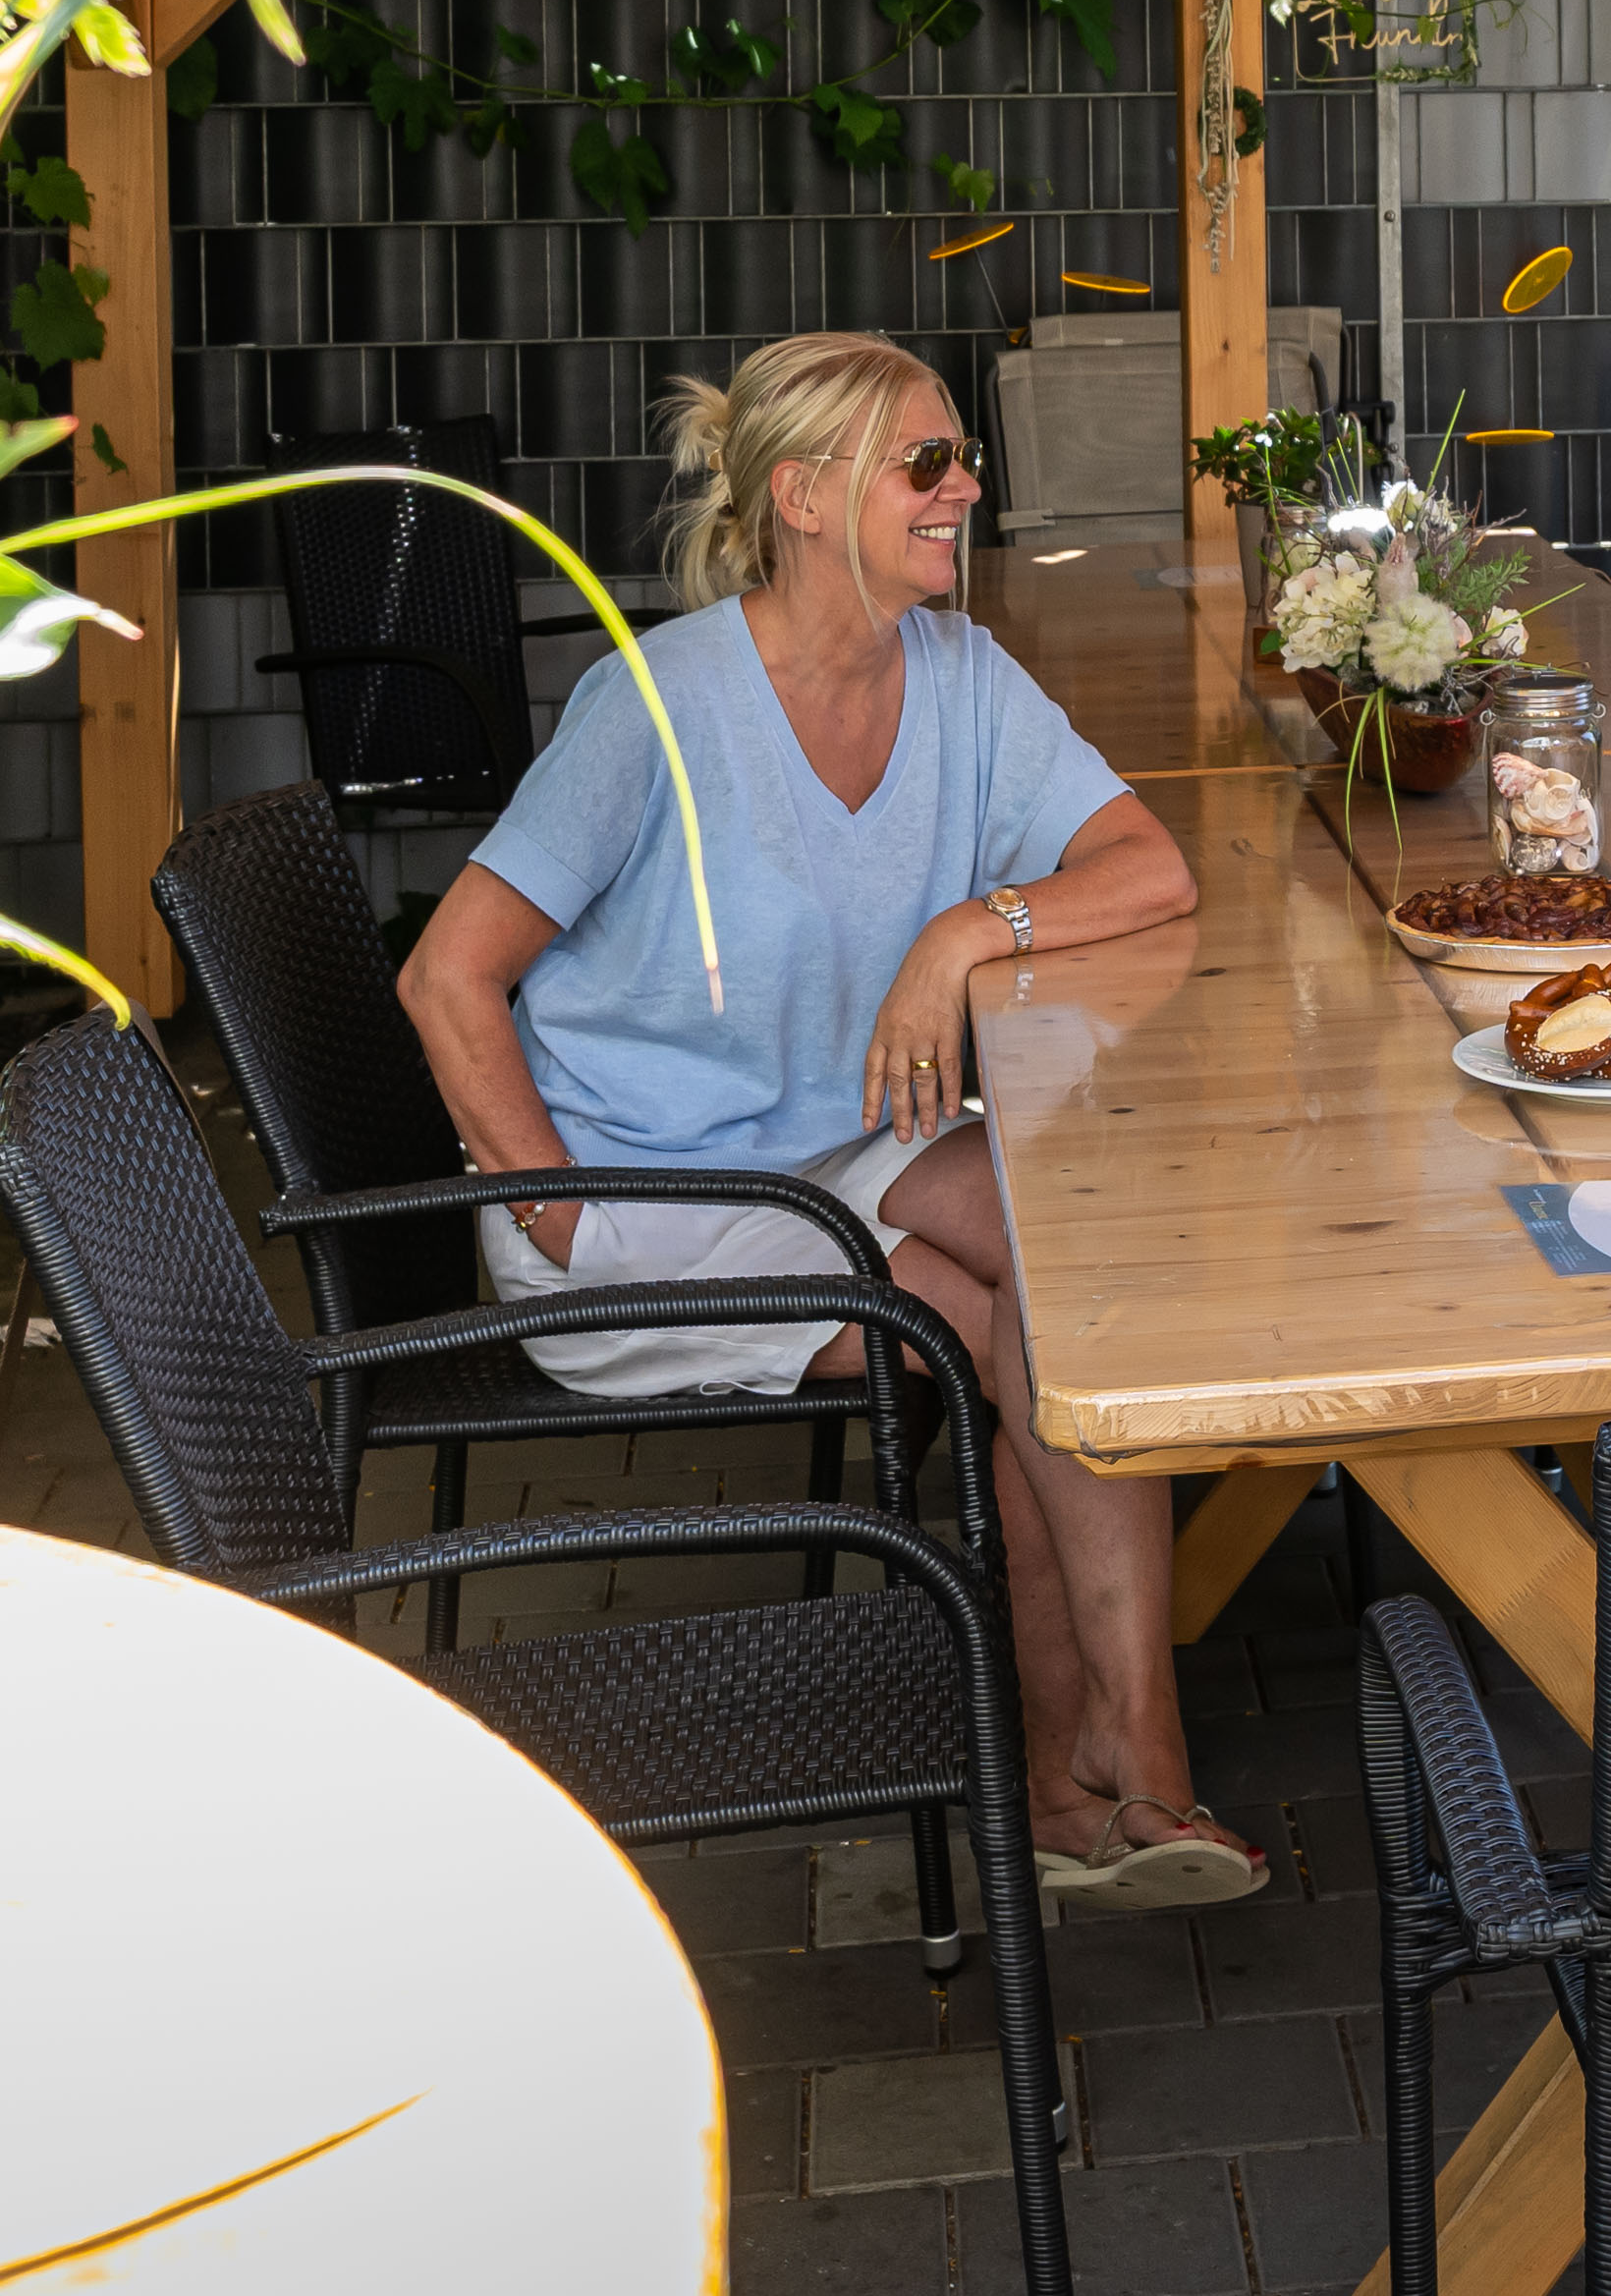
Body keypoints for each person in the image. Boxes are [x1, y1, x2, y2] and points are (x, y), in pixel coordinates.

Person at [396, 332, 1251, 1904]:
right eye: (926, 461)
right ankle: (1084, 1771)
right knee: (996, 1326)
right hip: (642, 1192)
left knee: (1076, 1266)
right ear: (801, 496)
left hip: (836, 1149)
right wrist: (554, 1209)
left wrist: (963, 931)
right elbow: (448, 972)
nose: (966, 486)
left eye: (961, 456)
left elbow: (1150, 867)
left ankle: (1119, 1742)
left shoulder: (961, 676)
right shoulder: (657, 705)